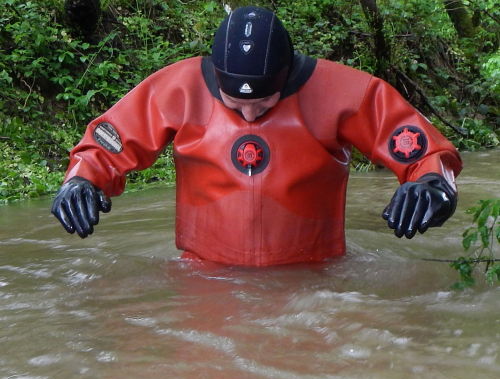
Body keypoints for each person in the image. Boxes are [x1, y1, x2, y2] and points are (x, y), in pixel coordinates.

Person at [51, 6, 462, 266]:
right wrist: (80, 181)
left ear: (288, 75)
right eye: (234, 104)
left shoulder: (347, 92)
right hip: (204, 274)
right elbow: (106, 144)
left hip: (313, 276)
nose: (249, 114)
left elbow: (427, 153)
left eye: (264, 106)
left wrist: (432, 186)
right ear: (214, 74)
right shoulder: (175, 88)